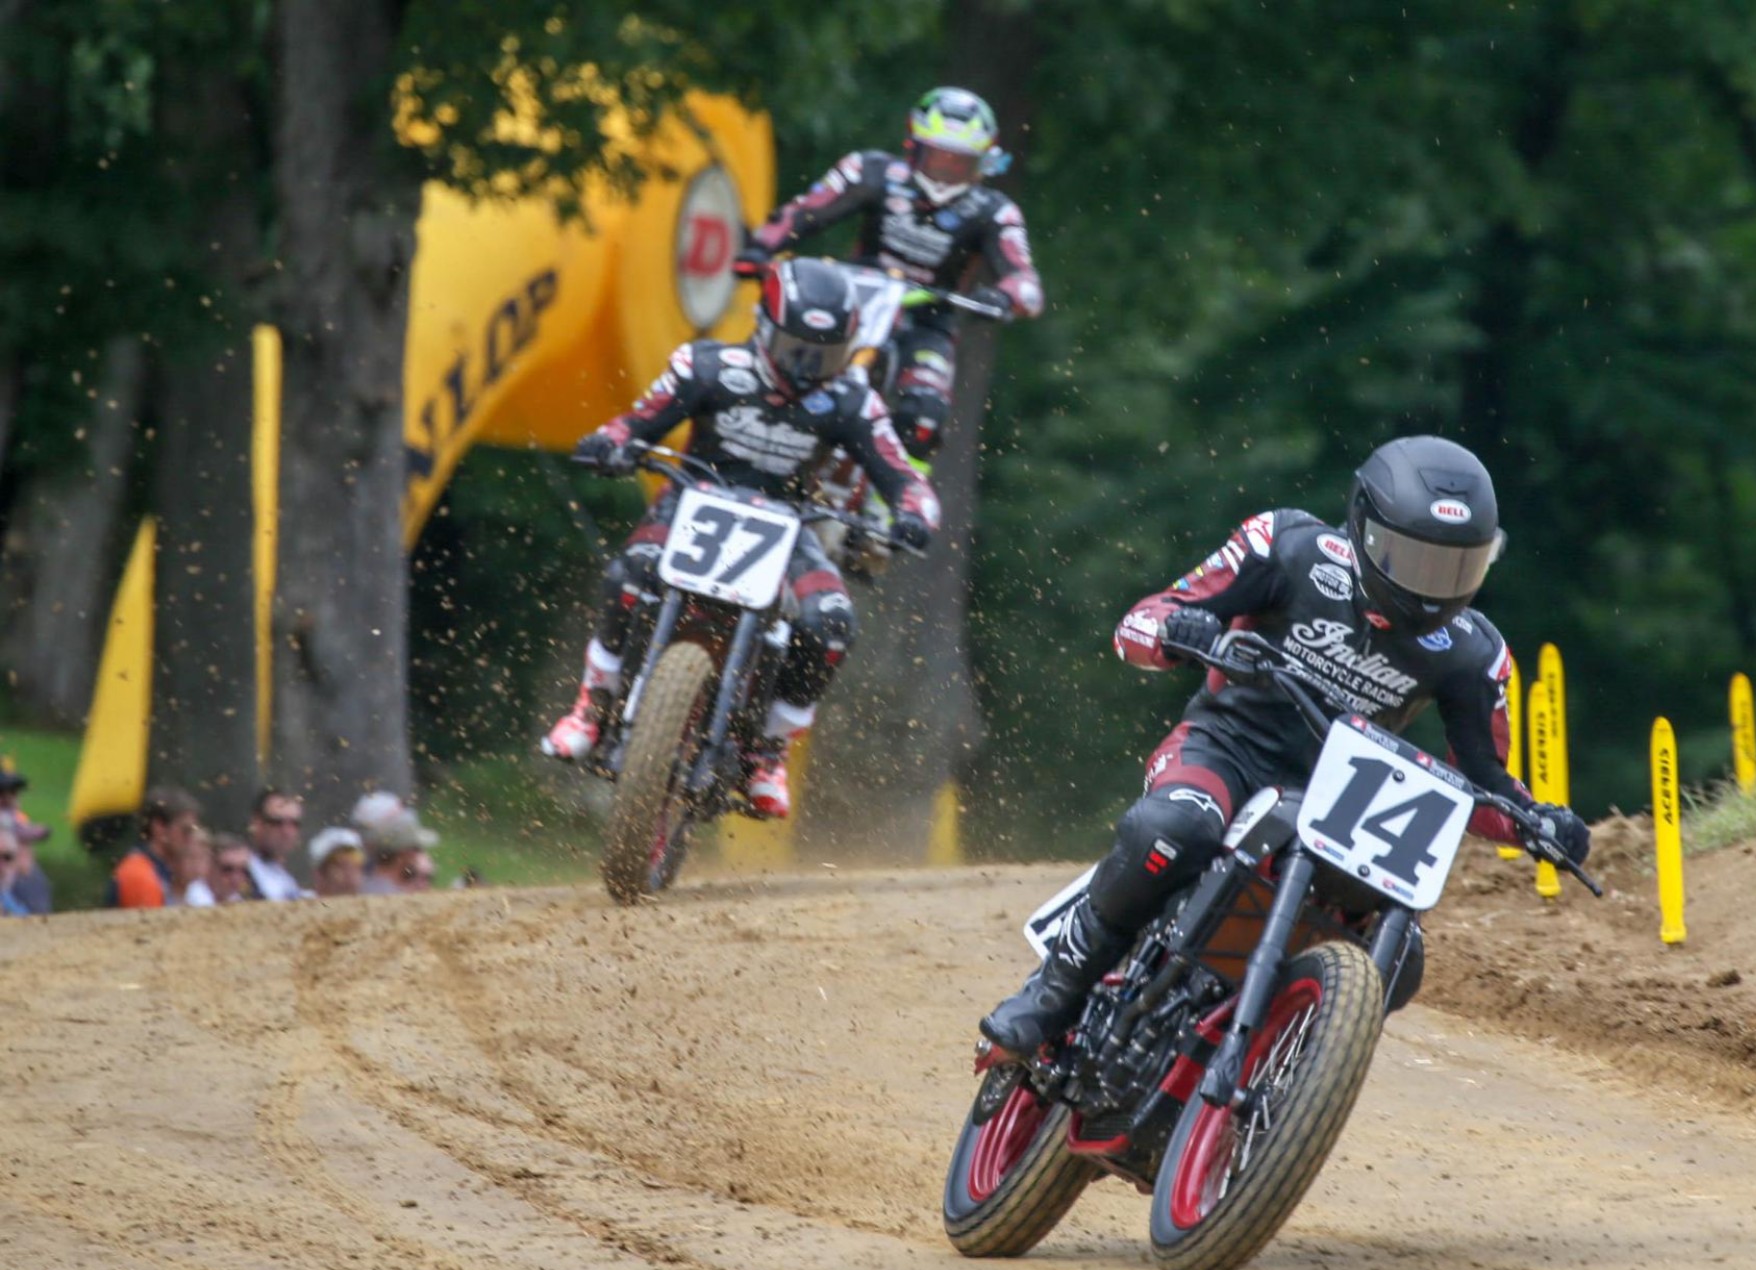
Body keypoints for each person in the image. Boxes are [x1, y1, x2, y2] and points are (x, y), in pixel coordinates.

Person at [980, 436, 1593, 1059]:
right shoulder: (1287, 546)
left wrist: (1537, 822)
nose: (1432, 588)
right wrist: (1177, 632)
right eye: (1413, 561)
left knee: (1400, 962)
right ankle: (1051, 994)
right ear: (1363, 529)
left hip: (1344, 799)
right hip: (1225, 750)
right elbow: (1144, 619)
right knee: (1171, 829)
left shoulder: (1478, 654)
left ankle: (1275, 1068)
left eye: (1454, 568)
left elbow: (1484, 782)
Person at [539, 255, 943, 819]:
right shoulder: (706, 366)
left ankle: (768, 752)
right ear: (763, 328)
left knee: (831, 623)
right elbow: (638, 420)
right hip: (691, 502)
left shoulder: (853, 401)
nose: (806, 367)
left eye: (823, 356)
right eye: (795, 349)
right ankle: (592, 702)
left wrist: (913, 511)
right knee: (626, 575)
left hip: (789, 521)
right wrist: (612, 442)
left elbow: (902, 473)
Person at [733, 86, 1044, 460]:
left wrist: (1002, 297)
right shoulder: (870, 171)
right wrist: (760, 248)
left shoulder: (996, 212)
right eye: (937, 156)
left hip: (929, 322)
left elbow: (1026, 282)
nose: (946, 169)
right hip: (849, 302)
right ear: (913, 146)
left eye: (959, 161)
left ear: (982, 162)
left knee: (925, 415)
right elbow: (804, 211)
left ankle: (902, 505)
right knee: (763, 367)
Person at [109, 787, 201, 910]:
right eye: (185, 831)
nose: (190, 839)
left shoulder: (157, 871)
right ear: (159, 827)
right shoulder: (140, 875)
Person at [0, 762, 53, 915]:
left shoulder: (13, 817)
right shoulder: (7, 818)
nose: (8, 798)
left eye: (12, 793)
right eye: (2, 793)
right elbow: (23, 832)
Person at [245, 788, 308, 902]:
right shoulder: (239, 871)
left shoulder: (287, 879)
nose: (287, 832)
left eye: (294, 824)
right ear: (256, 823)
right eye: (277, 822)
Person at [360, 810, 438, 895]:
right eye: (418, 848)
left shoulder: (367, 885)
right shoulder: (389, 894)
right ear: (405, 851)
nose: (419, 854)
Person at [307, 827, 365, 897]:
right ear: (319, 874)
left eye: (355, 861)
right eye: (340, 864)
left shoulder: (371, 905)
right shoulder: (296, 902)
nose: (349, 871)